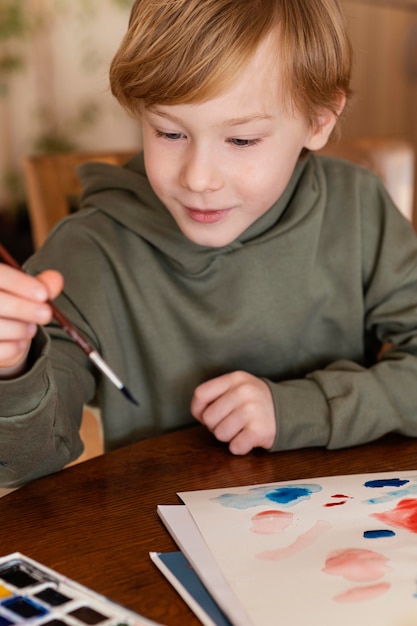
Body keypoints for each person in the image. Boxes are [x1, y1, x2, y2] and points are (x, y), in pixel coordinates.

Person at [1, 0, 417, 488]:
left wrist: (303, 409)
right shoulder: (89, 252)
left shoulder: (357, 206)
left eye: (241, 141)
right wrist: (12, 369)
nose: (198, 178)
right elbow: (24, 462)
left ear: (319, 121)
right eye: (169, 132)